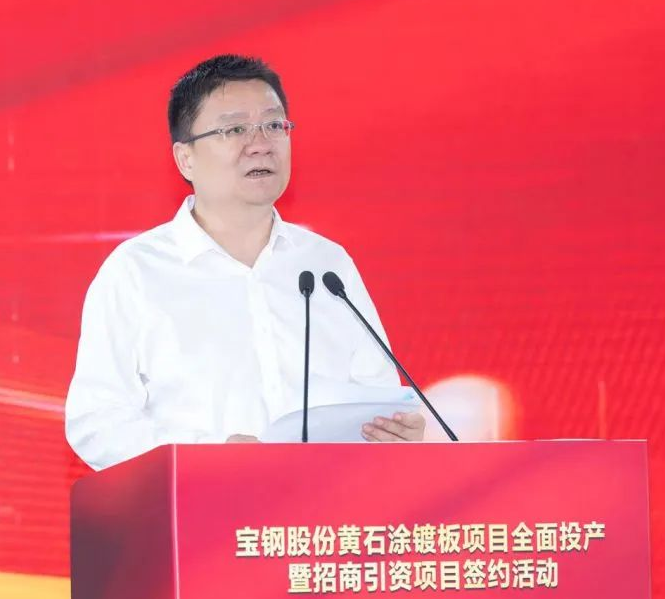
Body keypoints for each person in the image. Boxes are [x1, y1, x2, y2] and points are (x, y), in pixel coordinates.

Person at [65, 55, 425, 469]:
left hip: (322, 504)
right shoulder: (136, 272)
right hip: (199, 502)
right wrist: (207, 455)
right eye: (235, 129)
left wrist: (394, 432)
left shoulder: (327, 266)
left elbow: (375, 398)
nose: (261, 144)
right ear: (185, 159)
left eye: (274, 125)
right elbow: (96, 422)